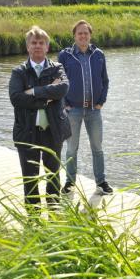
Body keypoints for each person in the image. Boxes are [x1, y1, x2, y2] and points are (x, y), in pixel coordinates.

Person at [9, 25, 70, 209]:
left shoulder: (57, 68)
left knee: (53, 175)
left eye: (41, 43)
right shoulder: (18, 72)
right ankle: (33, 219)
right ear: (28, 47)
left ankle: (54, 213)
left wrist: (34, 91)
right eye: (33, 43)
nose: (37, 46)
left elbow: (63, 88)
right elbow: (16, 98)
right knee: (30, 178)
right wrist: (46, 99)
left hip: (53, 131)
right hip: (27, 132)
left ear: (47, 47)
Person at [58, 20, 113, 195]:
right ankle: (69, 182)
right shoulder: (65, 56)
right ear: (74, 36)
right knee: (72, 148)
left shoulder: (99, 54)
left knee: (97, 147)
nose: (83, 36)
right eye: (79, 33)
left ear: (90, 35)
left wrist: (101, 101)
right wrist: (64, 103)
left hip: (94, 111)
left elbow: (105, 80)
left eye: (86, 33)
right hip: (72, 110)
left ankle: (101, 181)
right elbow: (59, 81)